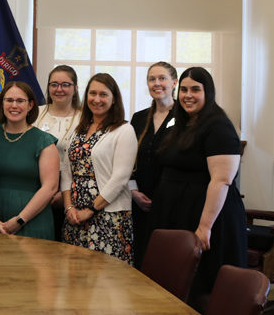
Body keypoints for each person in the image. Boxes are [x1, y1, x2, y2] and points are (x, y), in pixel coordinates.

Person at [150, 67, 246, 304]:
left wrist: (204, 227)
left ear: (208, 92)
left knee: (203, 287)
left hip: (207, 218)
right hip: (177, 214)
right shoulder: (183, 123)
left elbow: (222, 180)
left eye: (195, 89)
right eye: (183, 89)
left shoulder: (219, 126)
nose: (187, 95)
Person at [61, 73, 137, 264]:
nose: (96, 99)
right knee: (74, 276)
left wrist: (90, 210)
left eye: (103, 94)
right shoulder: (79, 127)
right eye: (92, 93)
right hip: (75, 218)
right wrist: (69, 207)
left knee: (105, 281)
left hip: (107, 216)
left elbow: (120, 177)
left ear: (113, 100)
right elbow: (67, 170)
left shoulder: (123, 130)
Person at [0, 82, 59, 240]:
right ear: (2, 104)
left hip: (32, 223)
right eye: (9, 100)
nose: (14, 105)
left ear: (30, 105)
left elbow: (50, 187)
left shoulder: (44, 141)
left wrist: (20, 220)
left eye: (20, 101)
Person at [129, 61, 177, 268]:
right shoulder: (139, 118)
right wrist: (133, 192)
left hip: (172, 201)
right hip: (140, 200)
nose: (157, 83)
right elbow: (128, 159)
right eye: (152, 79)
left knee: (167, 260)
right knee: (142, 256)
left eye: (162, 78)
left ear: (174, 83)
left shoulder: (185, 117)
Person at [33, 65, 82, 241]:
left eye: (65, 84)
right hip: (36, 186)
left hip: (74, 191)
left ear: (75, 89)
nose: (59, 89)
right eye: (54, 84)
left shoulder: (85, 118)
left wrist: (65, 192)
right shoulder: (35, 113)